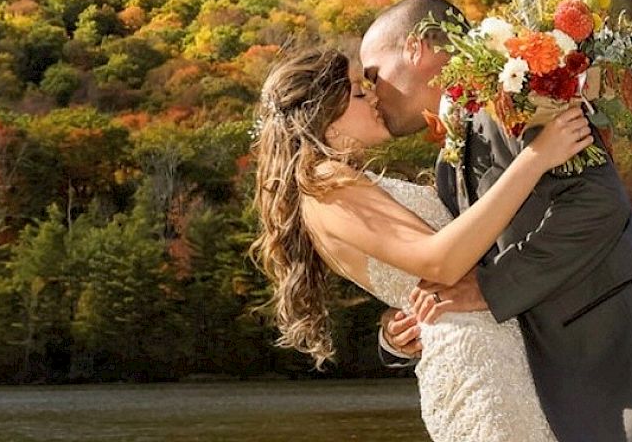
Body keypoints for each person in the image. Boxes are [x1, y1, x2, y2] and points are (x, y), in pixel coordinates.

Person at [364, 0, 632, 442]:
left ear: (416, 49)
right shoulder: (448, 157)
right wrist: (408, 329)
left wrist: (489, 287)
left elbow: (598, 205)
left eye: (373, 74)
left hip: (629, 377)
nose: (372, 91)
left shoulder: (524, 94)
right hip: (570, 398)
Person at [250, 46, 595, 441]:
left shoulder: (339, 185)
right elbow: (440, 262)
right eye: (360, 93)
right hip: (478, 361)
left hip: (493, 351)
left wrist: (393, 331)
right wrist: (536, 158)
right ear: (325, 118)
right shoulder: (326, 184)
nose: (375, 96)